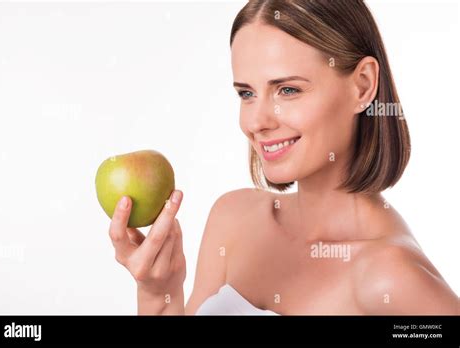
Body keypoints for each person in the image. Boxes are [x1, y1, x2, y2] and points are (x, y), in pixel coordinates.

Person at [108, 0, 458, 315]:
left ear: (363, 86)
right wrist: (159, 292)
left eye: (287, 90)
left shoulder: (392, 278)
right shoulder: (231, 219)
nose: (256, 122)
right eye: (246, 93)